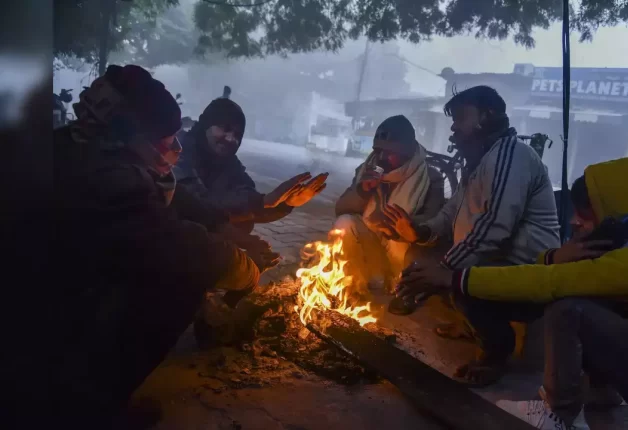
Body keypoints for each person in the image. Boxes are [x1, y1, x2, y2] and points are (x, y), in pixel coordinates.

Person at [398, 157, 628, 430]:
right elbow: (551, 273)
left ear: (612, 217)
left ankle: (557, 414)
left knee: (569, 308)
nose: (574, 222)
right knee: (589, 298)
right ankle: (603, 392)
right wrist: (556, 258)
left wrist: (453, 278)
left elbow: (546, 282)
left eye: (585, 216)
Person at [50, 65, 263, 426]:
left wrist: (223, 225)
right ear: (131, 136)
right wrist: (243, 268)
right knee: (182, 282)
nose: (173, 149)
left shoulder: (78, 146)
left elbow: (175, 197)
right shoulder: (106, 181)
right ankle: (91, 406)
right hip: (39, 317)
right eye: (166, 141)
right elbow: (181, 247)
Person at [383, 85, 560, 383]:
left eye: (460, 118)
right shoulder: (480, 161)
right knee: (418, 256)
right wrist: (419, 231)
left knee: (458, 282)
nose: (454, 127)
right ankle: (471, 326)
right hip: (492, 261)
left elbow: (494, 228)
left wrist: (443, 270)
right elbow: (450, 213)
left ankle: (495, 354)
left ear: (486, 116)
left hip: (526, 271)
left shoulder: (510, 154)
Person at [333, 115, 445, 309]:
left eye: (390, 152)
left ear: (407, 152)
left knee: (405, 240)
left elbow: (433, 221)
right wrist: (362, 191)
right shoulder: (367, 171)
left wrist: (405, 226)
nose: (382, 158)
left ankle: (401, 286)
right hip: (372, 242)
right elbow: (341, 209)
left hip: (402, 249)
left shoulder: (430, 177)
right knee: (344, 223)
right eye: (379, 151)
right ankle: (354, 282)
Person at [174, 97, 328, 236]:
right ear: (206, 125)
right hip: (173, 236)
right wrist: (262, 201)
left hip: (205, 236)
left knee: (243, 223)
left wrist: (287, 204)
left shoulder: (229, 164)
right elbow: (197, 205)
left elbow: (251, 210)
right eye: (224, 128)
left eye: (237, 135)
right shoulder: (178, 150)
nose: (230, 138)